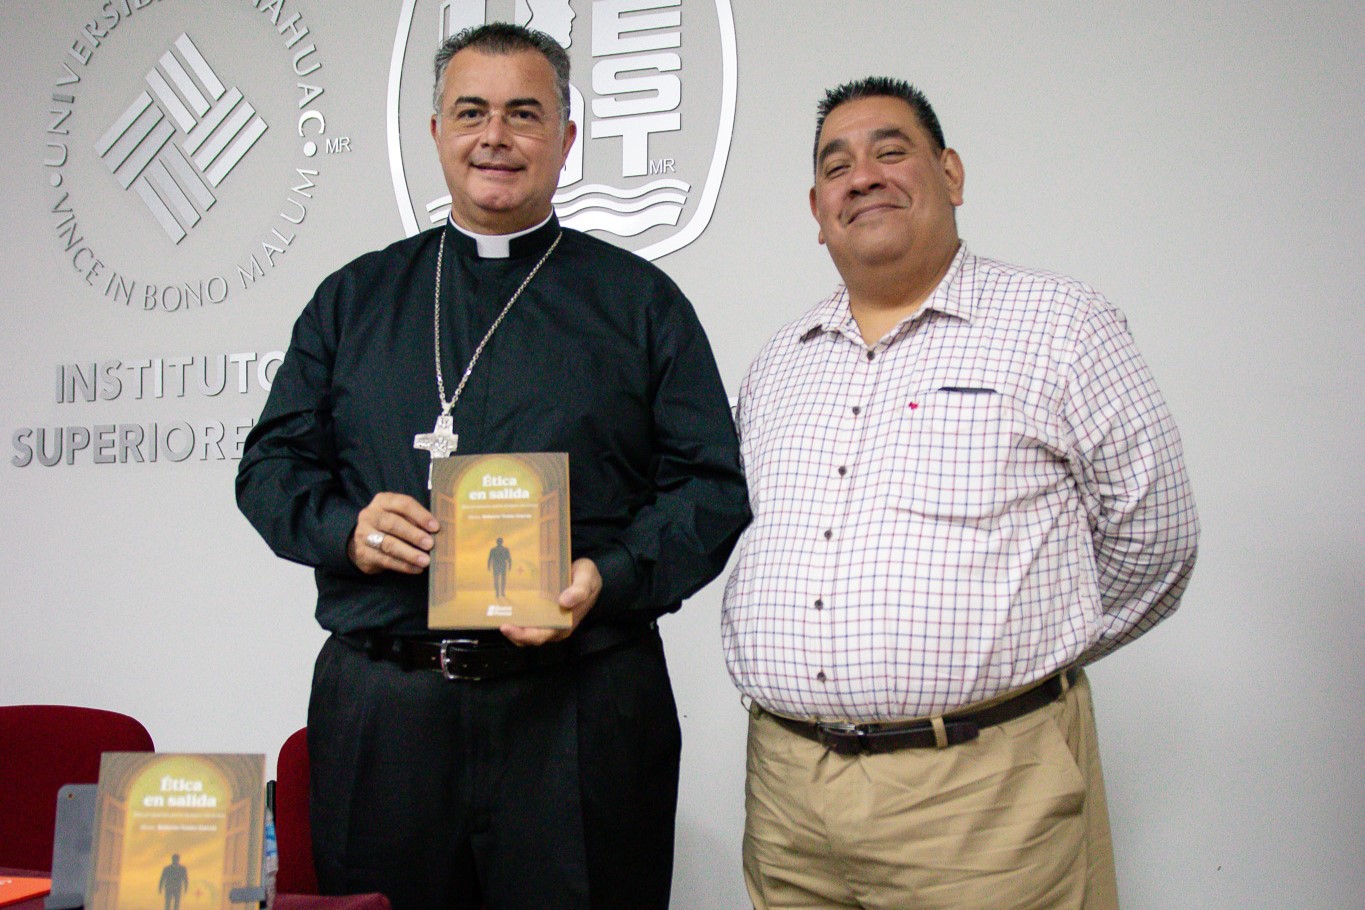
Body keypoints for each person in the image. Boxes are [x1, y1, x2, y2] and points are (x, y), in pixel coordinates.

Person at [236, 23, 748, 910]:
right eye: (470, 112)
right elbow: (270, 465)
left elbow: (709, 486)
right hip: (386, 711)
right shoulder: (354, 298)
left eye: (524, 114)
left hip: (579, 709)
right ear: (435, 131)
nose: (495, 138)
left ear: (566, 139)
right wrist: (343, 530)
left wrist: (608, 575)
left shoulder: (638, 303)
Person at [722, 77, 1199, 910]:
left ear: (951, 174)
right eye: (837, 165)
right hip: (788, 796)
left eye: (890, 150)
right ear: (815, 206)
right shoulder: (777, 363)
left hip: (981, 798)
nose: (861, 176)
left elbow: (1153, 536)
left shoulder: (1059, 325)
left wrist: (1025, 654)